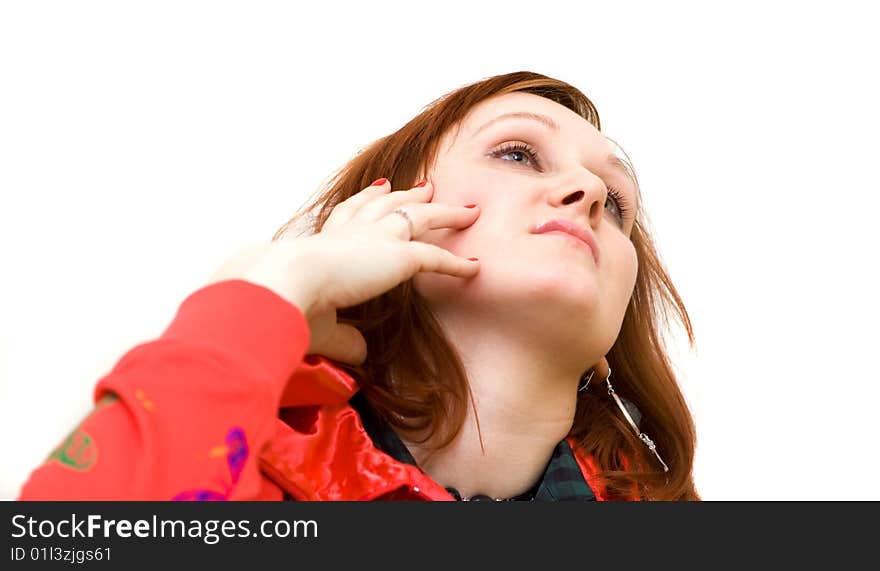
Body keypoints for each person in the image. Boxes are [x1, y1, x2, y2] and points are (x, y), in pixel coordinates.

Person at [18, 70, 699, 502]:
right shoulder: (244, 470)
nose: (584, 192)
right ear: (382, 223)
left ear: (610, 342)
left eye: (616, 203)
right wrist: (272, 286)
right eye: (518, 153)